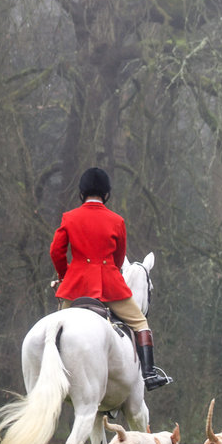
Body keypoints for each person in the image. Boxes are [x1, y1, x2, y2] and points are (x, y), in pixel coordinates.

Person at [50, 167, 173, 390]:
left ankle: (51, 371)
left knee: (55, 328)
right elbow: (118, 259)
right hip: (109, 285)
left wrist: (65, 277)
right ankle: (150, 375)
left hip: (75, 286)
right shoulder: (117, 221)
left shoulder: (69, 217)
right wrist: (109, 277)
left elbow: (56, 252)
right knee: (140, 323)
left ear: (82, 193)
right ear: (106, 194)